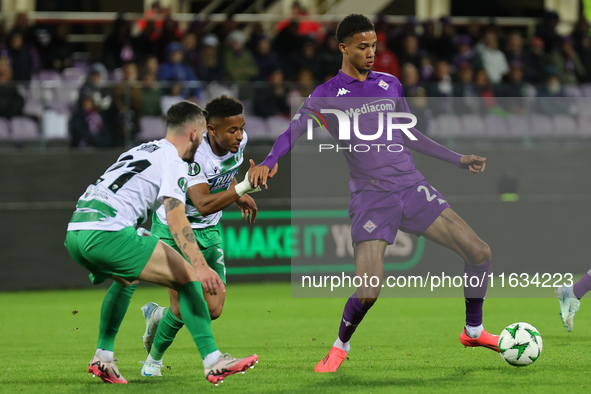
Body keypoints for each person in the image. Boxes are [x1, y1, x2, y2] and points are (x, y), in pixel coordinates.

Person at [248, 14, 496, 373]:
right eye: (363, 46)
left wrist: (456, 159)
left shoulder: (390, 84)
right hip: (372, 197)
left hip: (411, 187)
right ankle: (339, 345)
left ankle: (473, 329)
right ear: (343, 47)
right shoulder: (327, 94)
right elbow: (294, 129)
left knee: (479, 252)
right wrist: (271, 161)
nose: (371, 53)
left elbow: (409, 133)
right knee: (368, 289)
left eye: (374, 46)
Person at [64, 100, 259, 385]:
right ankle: (213, 361)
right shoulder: (176, 162)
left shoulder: (141, 150)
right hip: (108, 232)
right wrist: (201, 267)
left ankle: (103, 357)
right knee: (187, 277)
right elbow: (177, 218)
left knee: (126, 280)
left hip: (77, 230)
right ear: (194, 132)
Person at [136, 95, 260, 377]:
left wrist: (235, 194)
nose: (239, 135)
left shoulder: (238, 141)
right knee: (182, 306)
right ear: (211, 130)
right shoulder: (193, 154)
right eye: (232, 130)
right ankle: (152, 363)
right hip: (175, 230)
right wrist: (241, 189)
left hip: (210, 229)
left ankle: (156, 316)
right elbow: (202, 203)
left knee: (213, 309)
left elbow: (224, 173)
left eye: (241, 128)